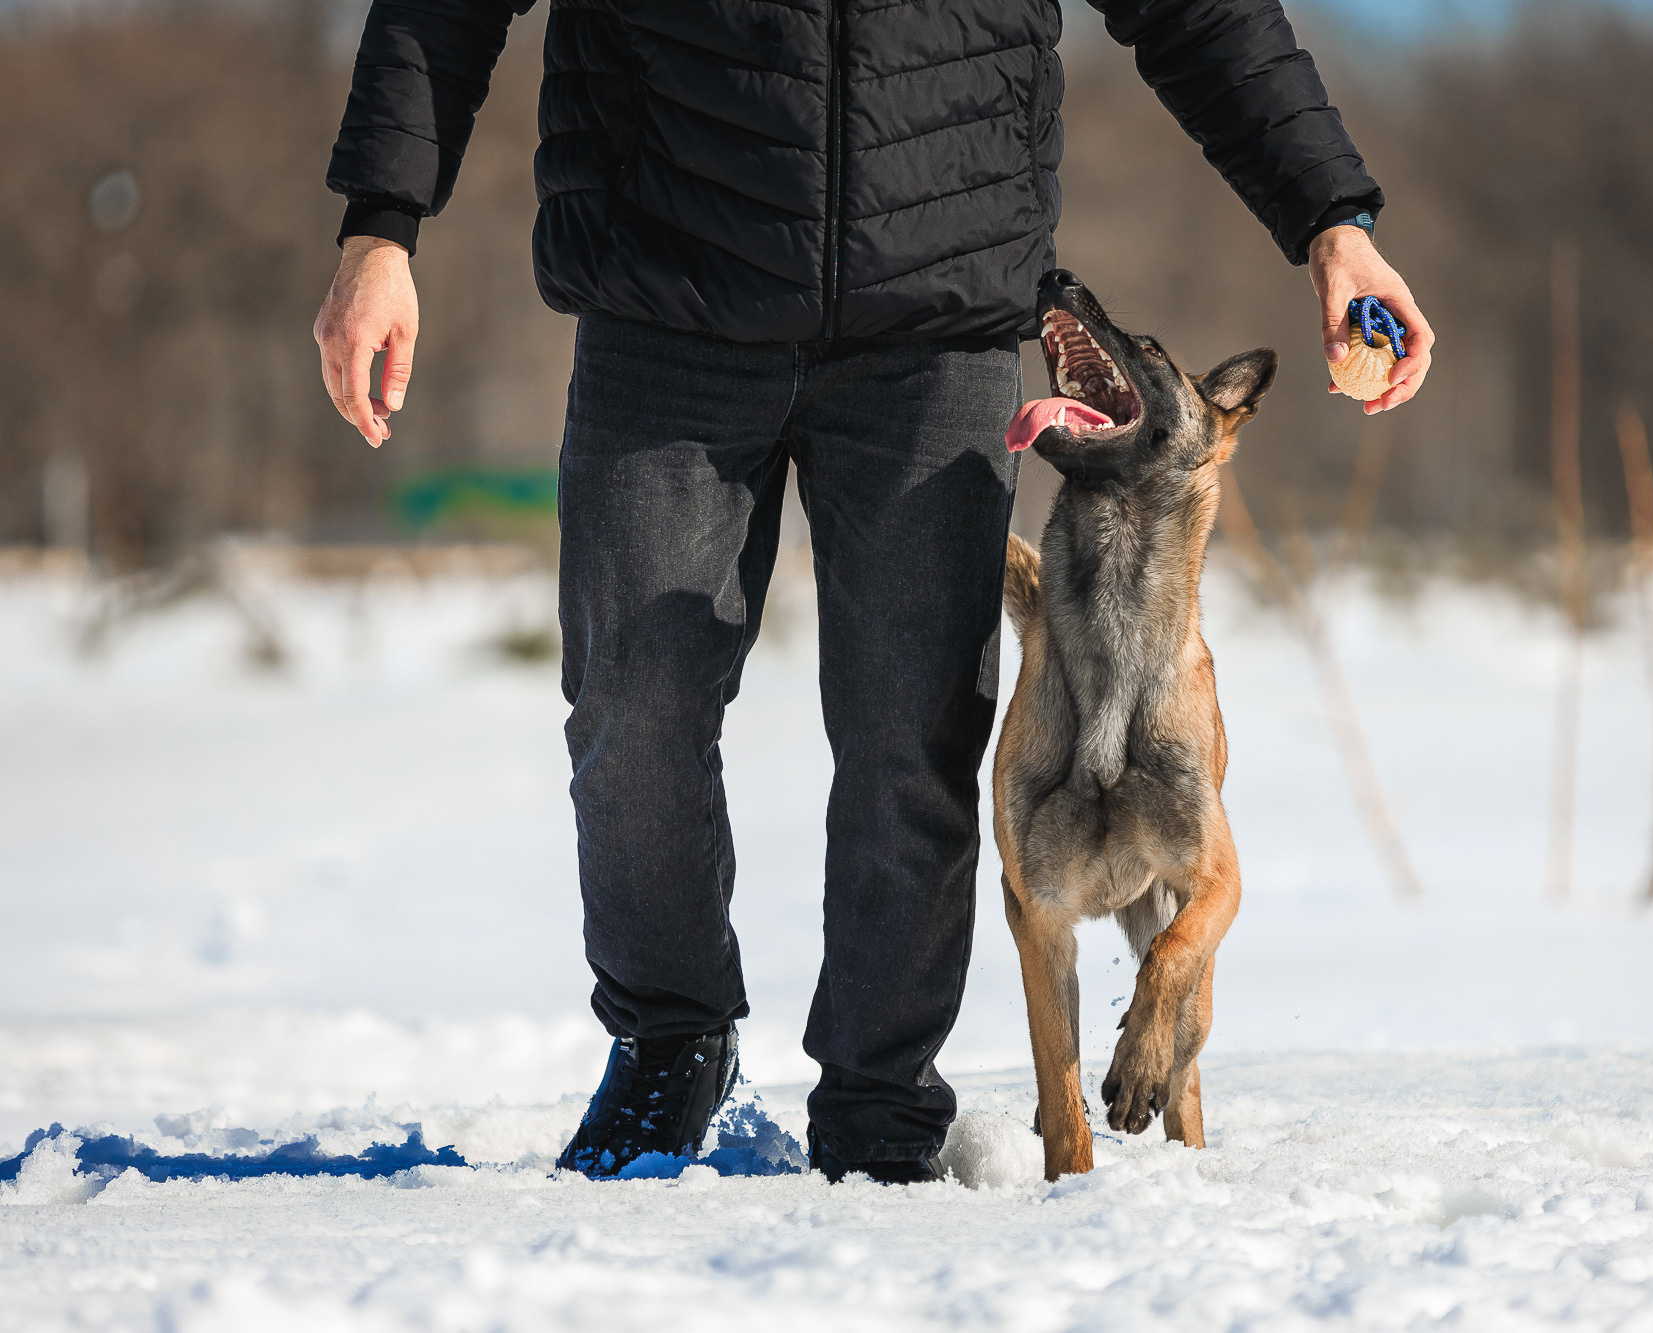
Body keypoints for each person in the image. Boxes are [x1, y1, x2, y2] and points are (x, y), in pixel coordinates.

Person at [314, 0, 1433, 1185]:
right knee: (631, 703)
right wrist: (380, 227)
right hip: (668, 289)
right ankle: (668, 1033)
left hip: (935, 316)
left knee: (917, 739)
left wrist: (1330, 217)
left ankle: (879, 1097)